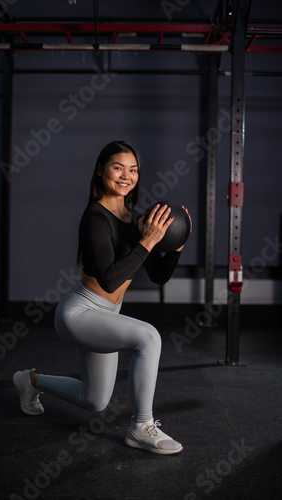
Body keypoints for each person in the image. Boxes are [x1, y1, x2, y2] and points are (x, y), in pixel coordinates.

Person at [13, 140, 192, 455]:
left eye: (133, 169)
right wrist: (148, 241)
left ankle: (30, 380)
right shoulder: (95, 218)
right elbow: (109, 280)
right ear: (101, 171)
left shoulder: (134, 219)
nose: (126, 176)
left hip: (105, 315)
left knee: (93, 400)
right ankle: (141, 427)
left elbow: (158, 275)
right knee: (149, 337)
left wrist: (174, 244)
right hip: (79, 314)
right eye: (117, 167)